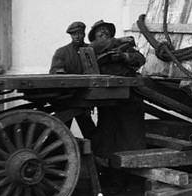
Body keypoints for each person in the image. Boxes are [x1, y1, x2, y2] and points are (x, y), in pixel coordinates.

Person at [86, 20, 147, 161]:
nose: (103, 32)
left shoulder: (123, 47)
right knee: (108, 136)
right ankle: (111, 171)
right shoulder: (92, 48)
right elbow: (94, 46)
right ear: (95, 35)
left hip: (129, 99)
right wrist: (115, 42)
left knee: (131, 134)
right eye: (99, 30)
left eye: (105, 29)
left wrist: (124, 56)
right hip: (107, 99)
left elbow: (140, 59)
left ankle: (134, 168)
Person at [49, 21, 96, 139]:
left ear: (84, 34)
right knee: (62, 132)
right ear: (70, 35)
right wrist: (61, 73)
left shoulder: (90, 51)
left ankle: (97, 154)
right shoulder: (62, 52)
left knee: (89, 131)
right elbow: (55, 71)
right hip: (65, 99)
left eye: (80, 33)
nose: (77, 36)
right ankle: (61, 154)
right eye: (74, 34)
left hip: (84, 98)